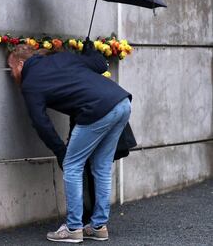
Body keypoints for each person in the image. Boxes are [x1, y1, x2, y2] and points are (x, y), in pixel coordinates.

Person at [7, 43, 131, 243]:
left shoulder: (31, 83)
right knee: (102, 167)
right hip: (122, 102)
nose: (12, 74)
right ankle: (98, 226)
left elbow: (41, 123)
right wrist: (89, 49)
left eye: (11, 69)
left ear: (21, 64)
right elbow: (101, 64)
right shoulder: (63, 58)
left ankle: (74, 228)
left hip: (97, 109)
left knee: (72, 166)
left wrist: (60, 151)